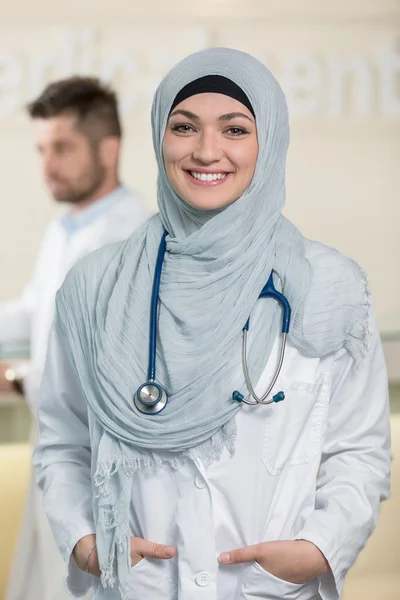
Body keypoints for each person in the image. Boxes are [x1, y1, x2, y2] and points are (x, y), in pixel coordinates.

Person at [34, 48, 390, 600]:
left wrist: (320, 546)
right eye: (184, 127)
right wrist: (85, 541)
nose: (206, 150)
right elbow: (62, 441)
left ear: (268, 141)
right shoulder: (96, 287)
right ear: (159, 137)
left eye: (234, 129)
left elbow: (358, 450)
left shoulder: (329, 285)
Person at [2, 76, 152, 600]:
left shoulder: (128, 238)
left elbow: (105, 371)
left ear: (108, 149)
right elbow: (35, 312)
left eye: (62, 147)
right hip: (60, 462)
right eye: (42, 149)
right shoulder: (67, 229)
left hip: (101, 472)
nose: (47, 166)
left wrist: (17, 380)